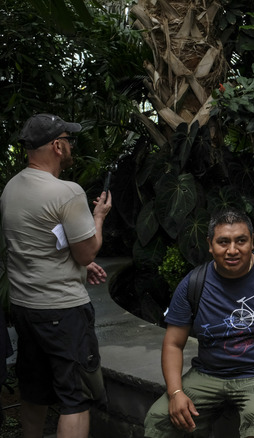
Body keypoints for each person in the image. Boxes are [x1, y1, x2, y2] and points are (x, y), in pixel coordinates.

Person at [143, 209, 254, 438]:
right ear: (210, 245)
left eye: (241, 240)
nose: (232, 250)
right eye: (223, 242)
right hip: (208, 374)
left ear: (252, 241)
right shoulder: (194, 283)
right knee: (159, 420)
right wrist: (175, 393)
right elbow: (173, 343)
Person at [0, 113, 112, 438]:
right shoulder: (66, 192)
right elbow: (87, 251)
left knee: (34, 392)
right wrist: (99, 216)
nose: (72, 145)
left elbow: (38, 244)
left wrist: (79, 265)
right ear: (57, 146)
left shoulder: (11, 188)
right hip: (63, 312)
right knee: (74, 399)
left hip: (25, 309)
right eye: (69, 139)